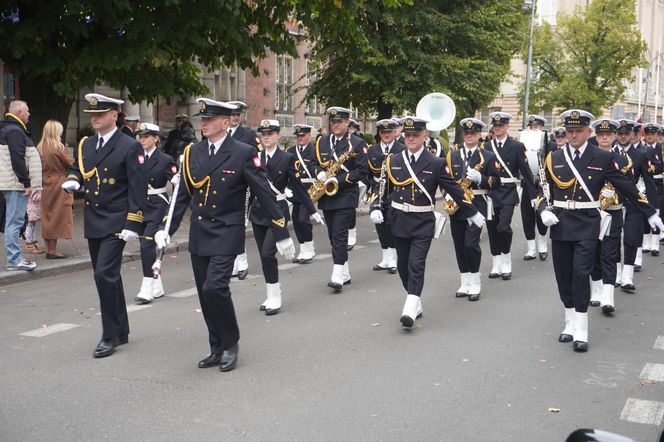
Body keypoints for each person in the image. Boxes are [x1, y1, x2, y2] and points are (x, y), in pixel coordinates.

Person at [153, 98, 296, 372]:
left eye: (209, 119)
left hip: (228, 230)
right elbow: (181, 197)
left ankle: (231, 343)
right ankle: (216, 347)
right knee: (205, 294)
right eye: (202, 119)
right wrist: (165, 230)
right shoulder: (192, 152)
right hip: (200, 231)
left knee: (215, 287)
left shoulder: (242, 152)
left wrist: (281, 232)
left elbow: (264, 192)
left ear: (225, 122)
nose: (203, 123)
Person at [537, 109, 664, 352]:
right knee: (563, 275)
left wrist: (650, 211)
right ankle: (569, 322)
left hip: (588, 222)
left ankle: (582, 328)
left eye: (579, 131)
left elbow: (626, 186)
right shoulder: (554, 157)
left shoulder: (602, 158)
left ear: (588, 132)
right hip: (561, 222)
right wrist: (544, 209)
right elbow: (543, 188)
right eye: (570, 131)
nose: (573, 135)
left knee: (580, 272)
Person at [61, 93, 147, 358]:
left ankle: (109, 335)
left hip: (118, 220)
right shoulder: (87, 143)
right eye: (92, 115)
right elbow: (79, 167)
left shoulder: (128, 145)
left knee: (104, 274)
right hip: (95, 217)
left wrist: (134, 221)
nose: (95, 119)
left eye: (100, 114)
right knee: (108, 276)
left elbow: (138, 186)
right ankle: (121, 328)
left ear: (114, 115)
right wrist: (74, 179)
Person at [384, 117, 484, 327]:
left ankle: (410, 308)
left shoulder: (436, 163)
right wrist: (378, 209)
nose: (410, 139)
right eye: (408, 135)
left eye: (415, 135)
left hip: (422, 222)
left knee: (416, 264)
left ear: (424, 136)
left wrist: (472, 212)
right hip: (399, 220)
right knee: (403, 266)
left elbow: (455, 189)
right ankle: (415, 300)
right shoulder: (393, 160)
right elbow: (386, 191)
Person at [251, 119, 322, 314]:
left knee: (268, 253)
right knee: (263, 257)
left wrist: (313, 210)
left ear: (278, 135)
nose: (266, 137)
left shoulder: (286, 157)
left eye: (270, 134)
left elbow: (298, 186)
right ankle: (271, 291)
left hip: (278, 211)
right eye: (263, 134)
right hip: (258, 211)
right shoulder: (255, 157)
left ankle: (275, 296)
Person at [311, 106, 369, 291]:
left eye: (339, 122)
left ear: (347, 122)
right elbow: (313, 162)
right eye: (333, 122)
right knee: (332, 235)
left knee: (339, 234)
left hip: (345, 195)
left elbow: (361, 171)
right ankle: (345, 272)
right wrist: (319, 173)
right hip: (327, 196)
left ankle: (337, 274)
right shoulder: (322, 142)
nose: (335, 125)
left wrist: (339, 180)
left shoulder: (358, 143)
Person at [447, 118, 500, 301]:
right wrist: (446, 193)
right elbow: (445, 178)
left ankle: (475, 280)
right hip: (457, 205)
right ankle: (465, 281)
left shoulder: (488, 156)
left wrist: (480, 178)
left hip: (477, 204)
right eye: (467, 133)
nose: (470, 136)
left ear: (479, 135)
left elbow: (496, 182)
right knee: (459, 245)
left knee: (471, 244)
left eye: (474, 133)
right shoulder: (453, 154)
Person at [483, 112, 536, 280]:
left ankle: (506, 258)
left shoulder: (516, 146)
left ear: (506, 127)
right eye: (495, 126)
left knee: (503, 226)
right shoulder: (486, 147)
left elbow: (525, 171)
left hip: (508, 191)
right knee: (492, 229)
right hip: (491, 193)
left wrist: (533, 195)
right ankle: (496, 262)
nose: (497, 128)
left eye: (500, 125)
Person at [134, 123, 177, 305]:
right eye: (140, 136)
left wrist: (169, 213)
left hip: (157, 205)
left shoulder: (165, 159)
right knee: (146, 247)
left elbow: (177, 185)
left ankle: (147, 287)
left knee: (146, 246)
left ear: (156, 138)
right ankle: (157, 286)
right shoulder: (135, 157)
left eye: (147, 136)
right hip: (139, 206)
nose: (142, 139)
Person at [614, 120, 657, 291]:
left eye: (626, 133)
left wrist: (653, 210)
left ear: (633, 135)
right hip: (613, 203)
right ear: (617, 135)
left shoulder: (640, 155)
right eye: (620, 133)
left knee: (631, 239)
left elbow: (649, 183)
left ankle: (627, 276)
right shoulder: (609, 153)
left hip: (633, 203)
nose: (623, 136)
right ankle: (616, 273)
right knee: (614, 239)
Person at [588, 119, 626, 314]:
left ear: (614, 136)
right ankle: (596, 290)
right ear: (596, 136)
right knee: (594, 252)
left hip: (613, 213)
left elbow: (629, 185)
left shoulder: (622, 159)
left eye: (608, 134)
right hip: (592, 212)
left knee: (609, 253)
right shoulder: (589, 157)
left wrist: (616, 195)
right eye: (601, 134)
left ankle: (608, 297)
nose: (604, 137)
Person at [0, 100, 41, 271]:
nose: (29, 114)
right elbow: (18, 158)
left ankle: (14, 259)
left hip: (10, 182)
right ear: (19, 112)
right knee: (14, 222)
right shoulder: (15, 130)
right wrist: (26, 182)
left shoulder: (9, 128)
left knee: (12, 221)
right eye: (27, 111)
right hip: (16, 184)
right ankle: (14, 260)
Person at [368, 118, 405, 274]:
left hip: (395, 192)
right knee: (380, 226)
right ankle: (385, 258)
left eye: (389, 132)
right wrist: (372, 191)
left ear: (394, 133)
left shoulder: (402, 149)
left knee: (393, 225)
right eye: (383, 132)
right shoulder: (373, 150)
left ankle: (394, 260)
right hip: (377, 193)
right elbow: (368, 174)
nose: (386, 134)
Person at [227, 101, 258, 280]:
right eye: (231, 114)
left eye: (237, 114)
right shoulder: (220, 133)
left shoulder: (247, 134)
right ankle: (232, 261)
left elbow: (255, 159)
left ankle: (242, 260)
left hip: (242, 185)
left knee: (239, 224)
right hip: (224, 186)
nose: (234, 118)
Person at [38, 120, 74, 259]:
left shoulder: (40, 146)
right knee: (57, 216)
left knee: (47, 216)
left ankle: (49, 248)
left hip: (45, 181)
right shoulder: (58, 147)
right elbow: (70, 162)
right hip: (59, 182)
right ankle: (53, 250)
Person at [286, 124, 318, 263]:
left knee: (303, 219)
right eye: (298, 136)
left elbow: (319, 167)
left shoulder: (314, 150)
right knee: (296, 220)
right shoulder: (290, 151)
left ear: (309, 136)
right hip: (294, 189)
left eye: (302, 135)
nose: (300, 138)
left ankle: (310, 249)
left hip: (309, 188)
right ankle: (303, 249)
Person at [521, 115, 551, 261]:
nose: (535, 129)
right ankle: (531, 248)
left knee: (541, 214)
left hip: (541, 184)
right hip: (527, 183)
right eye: (533, 127)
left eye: (538, 127)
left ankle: (542, 243)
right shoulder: (524, 141)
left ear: (542, 127)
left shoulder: (548, 143)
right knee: (527, 215)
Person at [639, 123, 663, 257]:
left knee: (657, 212)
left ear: (656, 135)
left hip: (659, 185)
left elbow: (660, 167)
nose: (649, 136)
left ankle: (655, 244)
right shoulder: (641, 148)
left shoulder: (660, 148)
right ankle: (646, 242)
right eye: (647, 134)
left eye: (652, 134)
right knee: (645, 213)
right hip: (644, 185)